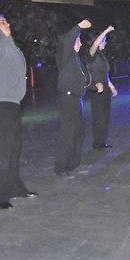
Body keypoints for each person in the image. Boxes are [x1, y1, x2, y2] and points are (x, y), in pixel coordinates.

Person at [0, 0, 37, 209]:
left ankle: (14, 188)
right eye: (2, 21)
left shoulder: (11, 46)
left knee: (13, 149)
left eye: (6, 21)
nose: (6, 24)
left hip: (12, 104)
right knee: (2, 150)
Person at [55, 19, 93, 179]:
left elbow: (84, 79)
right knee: (67, 133)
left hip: (77, 100)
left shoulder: (77, 60)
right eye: (77, 41)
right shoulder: (65, 57)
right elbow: (66, 40)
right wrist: (78, 27)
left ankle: (72, 164)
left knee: (78, 132)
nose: (80, 44)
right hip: (68, 98)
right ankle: (61, 167)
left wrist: (94, 85)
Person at [87, 26, 117, 150]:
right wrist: (105, 31)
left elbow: (105, 74)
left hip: (104, 87)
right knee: (98, 115)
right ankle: (97, 142)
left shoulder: (102, 56)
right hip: (96, 87)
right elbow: (95, 44)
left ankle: (102, 141)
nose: (105, 42)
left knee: (105, 115)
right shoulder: (92, 54)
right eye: (104, 40)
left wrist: (111, 87)